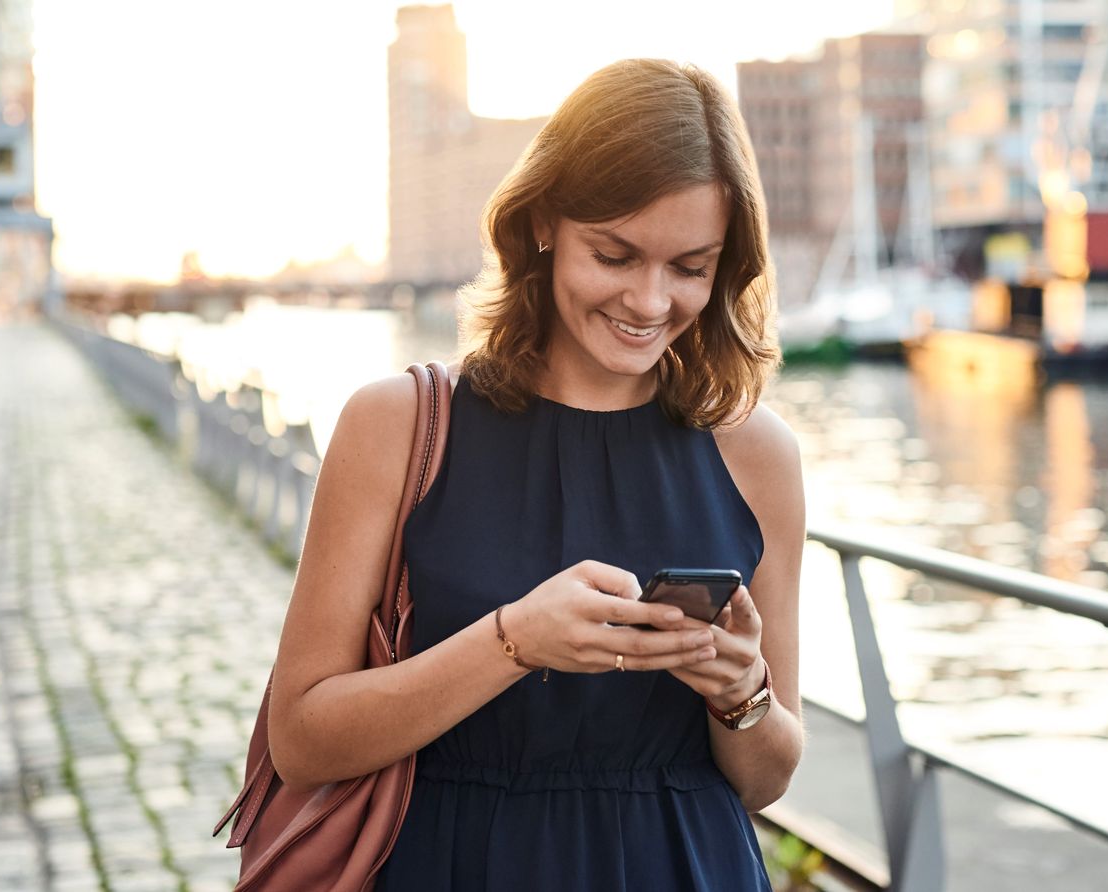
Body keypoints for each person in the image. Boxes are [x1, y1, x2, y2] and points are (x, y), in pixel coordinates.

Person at [266, 58, 805, 890]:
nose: (651, 301)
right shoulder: (396, 427)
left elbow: (767, 778)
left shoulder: (757, 454)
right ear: (544, 222)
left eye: (690, 267)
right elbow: (299, 738)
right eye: (615, 255)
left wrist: (742, 691)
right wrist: (513, 642)